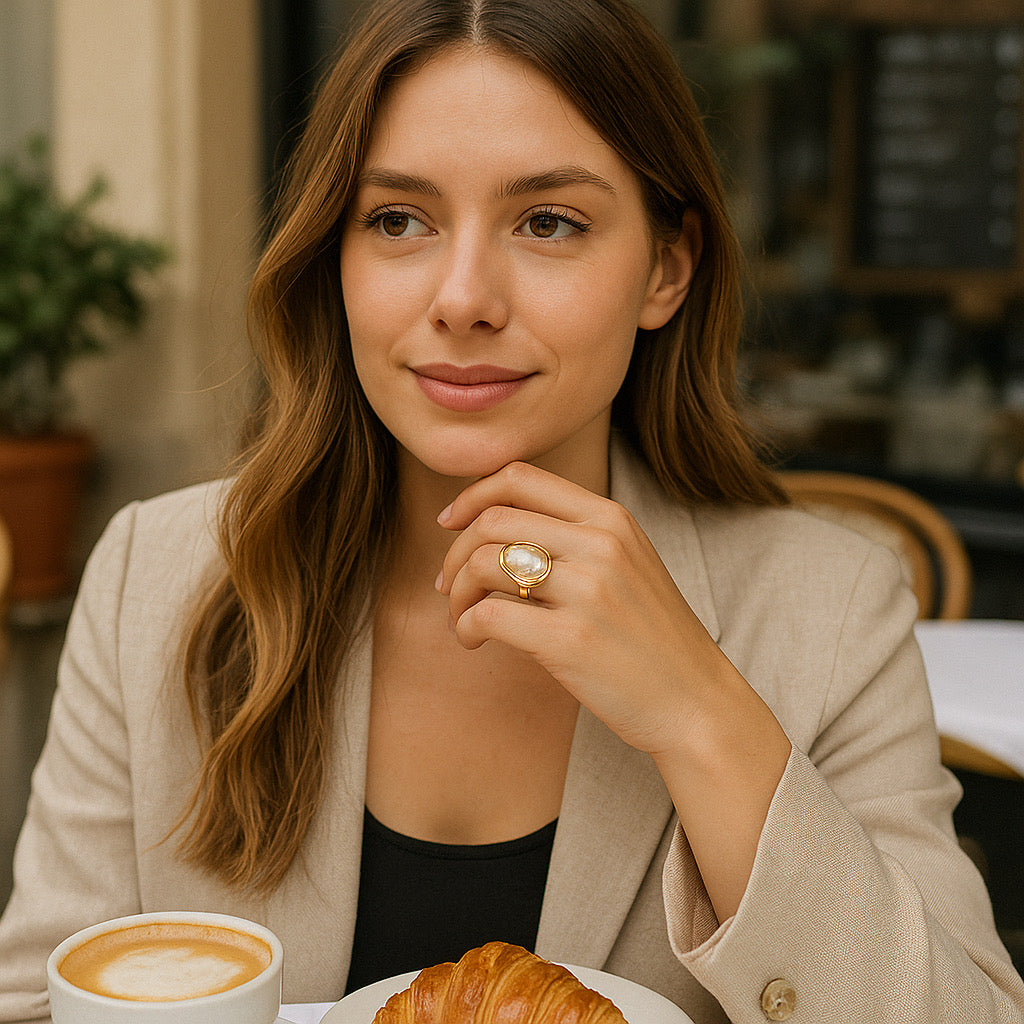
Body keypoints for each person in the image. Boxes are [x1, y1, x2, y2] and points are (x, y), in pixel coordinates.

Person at [1, 0, 1023, 1020]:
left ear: (666, 266)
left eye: (548, 221)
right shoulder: (159, 577)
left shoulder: (828, 609)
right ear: (335, 258)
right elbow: (36, 1001)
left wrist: (698, 711)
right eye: (398, 219)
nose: (463, 297)